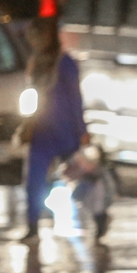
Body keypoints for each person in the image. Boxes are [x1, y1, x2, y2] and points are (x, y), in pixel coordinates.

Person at [19, 16, 88, 243]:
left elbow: (75, 98)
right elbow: (31, 97)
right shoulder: (35, 63)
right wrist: (26, 125)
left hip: (64, 130)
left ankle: (99, 215)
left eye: (39, 36)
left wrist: (81, 131)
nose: (36, 42)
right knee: (34, 182)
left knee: (78, 178)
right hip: (42, 131)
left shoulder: (65, 63)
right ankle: (32, 226)